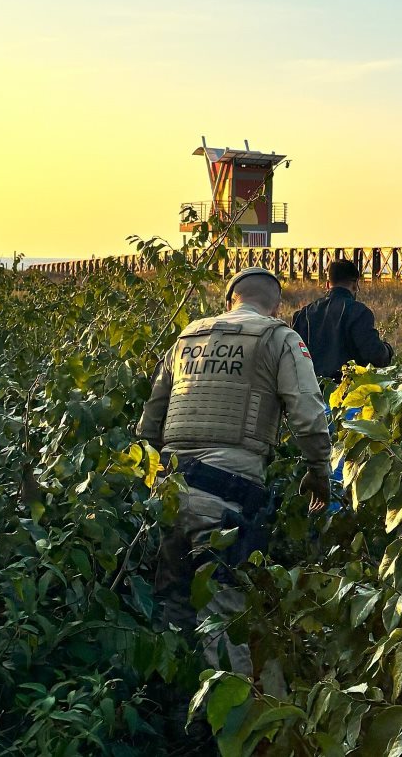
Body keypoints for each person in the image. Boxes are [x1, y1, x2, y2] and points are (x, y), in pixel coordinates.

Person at [136, 267, 332, 676]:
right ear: (276, 305)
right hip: (227, 497)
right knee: (223, 622)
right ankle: (227, 731)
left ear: (230, 300)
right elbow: (309, 418)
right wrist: (318, 470)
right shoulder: (279, 337)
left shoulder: (188, 336)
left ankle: (166, 714)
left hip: (168, 491)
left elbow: (149, 424)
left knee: (169, 608)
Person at [291, 259, 394, 382]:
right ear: (355, 284)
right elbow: (376, 356)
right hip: (347, 392)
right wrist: (388, 349)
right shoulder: (359, 312)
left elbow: (291, 356)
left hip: (311, 391)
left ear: (328, 285)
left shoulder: (304, 314)